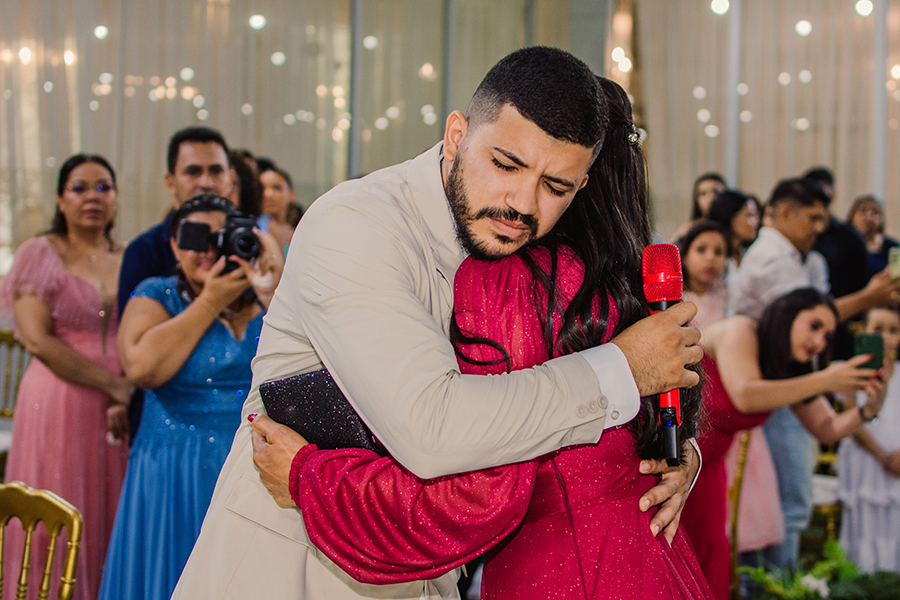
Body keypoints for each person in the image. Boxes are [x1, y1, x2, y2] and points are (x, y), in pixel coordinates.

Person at [174, 46, 703, 600]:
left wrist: (669, 453)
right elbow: (431, 429)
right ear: (456, 136)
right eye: (506, 164)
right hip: (293, 570)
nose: (522, 204)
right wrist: (621, 370)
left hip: (433, 577)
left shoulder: (533, 260)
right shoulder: (356, 222)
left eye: (555, 187)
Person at [97, 195, 283, 600]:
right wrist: (210, 301)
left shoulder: (268, 296)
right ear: (173, 245)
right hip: (172, 467)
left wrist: (275, 286)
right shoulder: (157, 294)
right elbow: (143, 369)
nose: (205, 250)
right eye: (193, 237)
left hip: (249, 466)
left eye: (218, 237)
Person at [733, 177, 900, 567]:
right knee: (789, 506)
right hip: (773, 393)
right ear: (785, 212)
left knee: (785, 507)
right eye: (814, 218)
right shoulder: (773, 258)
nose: (821, 228)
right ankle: (779, 588)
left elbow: (827, 425)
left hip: (788, 386)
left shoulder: (796, 257)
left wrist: (865, 411)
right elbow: (802, 324)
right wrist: (868, 299)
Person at [682, 288, 886, 599]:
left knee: (710, 557)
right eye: (815, 326)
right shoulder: (741, 329)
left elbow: (827, 428)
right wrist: (827, 380)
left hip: (707, 468)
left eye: (828, 337)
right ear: (788, 314)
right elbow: (746, 395)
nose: (819, 342)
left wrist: (866, 411)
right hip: (673, 455)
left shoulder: (791, 369)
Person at [0, 154, 131, 600]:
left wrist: (125, 392)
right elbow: (36, 339)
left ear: (115, 197)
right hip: (60, 398)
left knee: (107, 506)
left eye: (103, 187)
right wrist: (113, 384)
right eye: (79, 187)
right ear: (60, 197)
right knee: (59, 495)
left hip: (119, 406)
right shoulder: (41, 253)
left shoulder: (129, 256)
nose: (92, 197)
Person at [117, 126, 235, 440]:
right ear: (171, 181)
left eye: (216, 171)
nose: (206, 182)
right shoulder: (146, 251)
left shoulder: (249, 248)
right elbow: (134, 355)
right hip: (168, 426)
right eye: (193, 171)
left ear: (230, 177)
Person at [837, 305, 900, 573]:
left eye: (893, 330)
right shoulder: (850, 373)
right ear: (863, 332)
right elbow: (850, 418)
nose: (885, 336)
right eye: (878, 329)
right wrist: (880, 454)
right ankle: (862, 577)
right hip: (865, 458)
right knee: (864, 516)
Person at [707, 190, 761, 317]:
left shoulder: (749, 254)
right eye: (749, 216)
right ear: (731, 218)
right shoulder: (713, 257)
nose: (755, 222)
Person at [677, 220, 729, 330]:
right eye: (701, 250)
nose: (710, 257)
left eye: (718, 252)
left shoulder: (726, 294)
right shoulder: (675, 301)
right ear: (684, 257)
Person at [847, 195, 900, 279]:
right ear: (852, 215)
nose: (869, 216)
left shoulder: (892, 247)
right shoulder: (842, 245)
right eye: (863, 210)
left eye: (875, 212)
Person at [259, 163, 302, 252]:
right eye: (262, 188)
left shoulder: (300, 232)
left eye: (277, 188)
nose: (268, 194)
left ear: (291, 194)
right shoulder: (256, 229)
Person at [672, 172, 726, 240]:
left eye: (715, 192)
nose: (710, 198)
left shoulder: (735, 230)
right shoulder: (687, 231)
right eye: (703, 193)